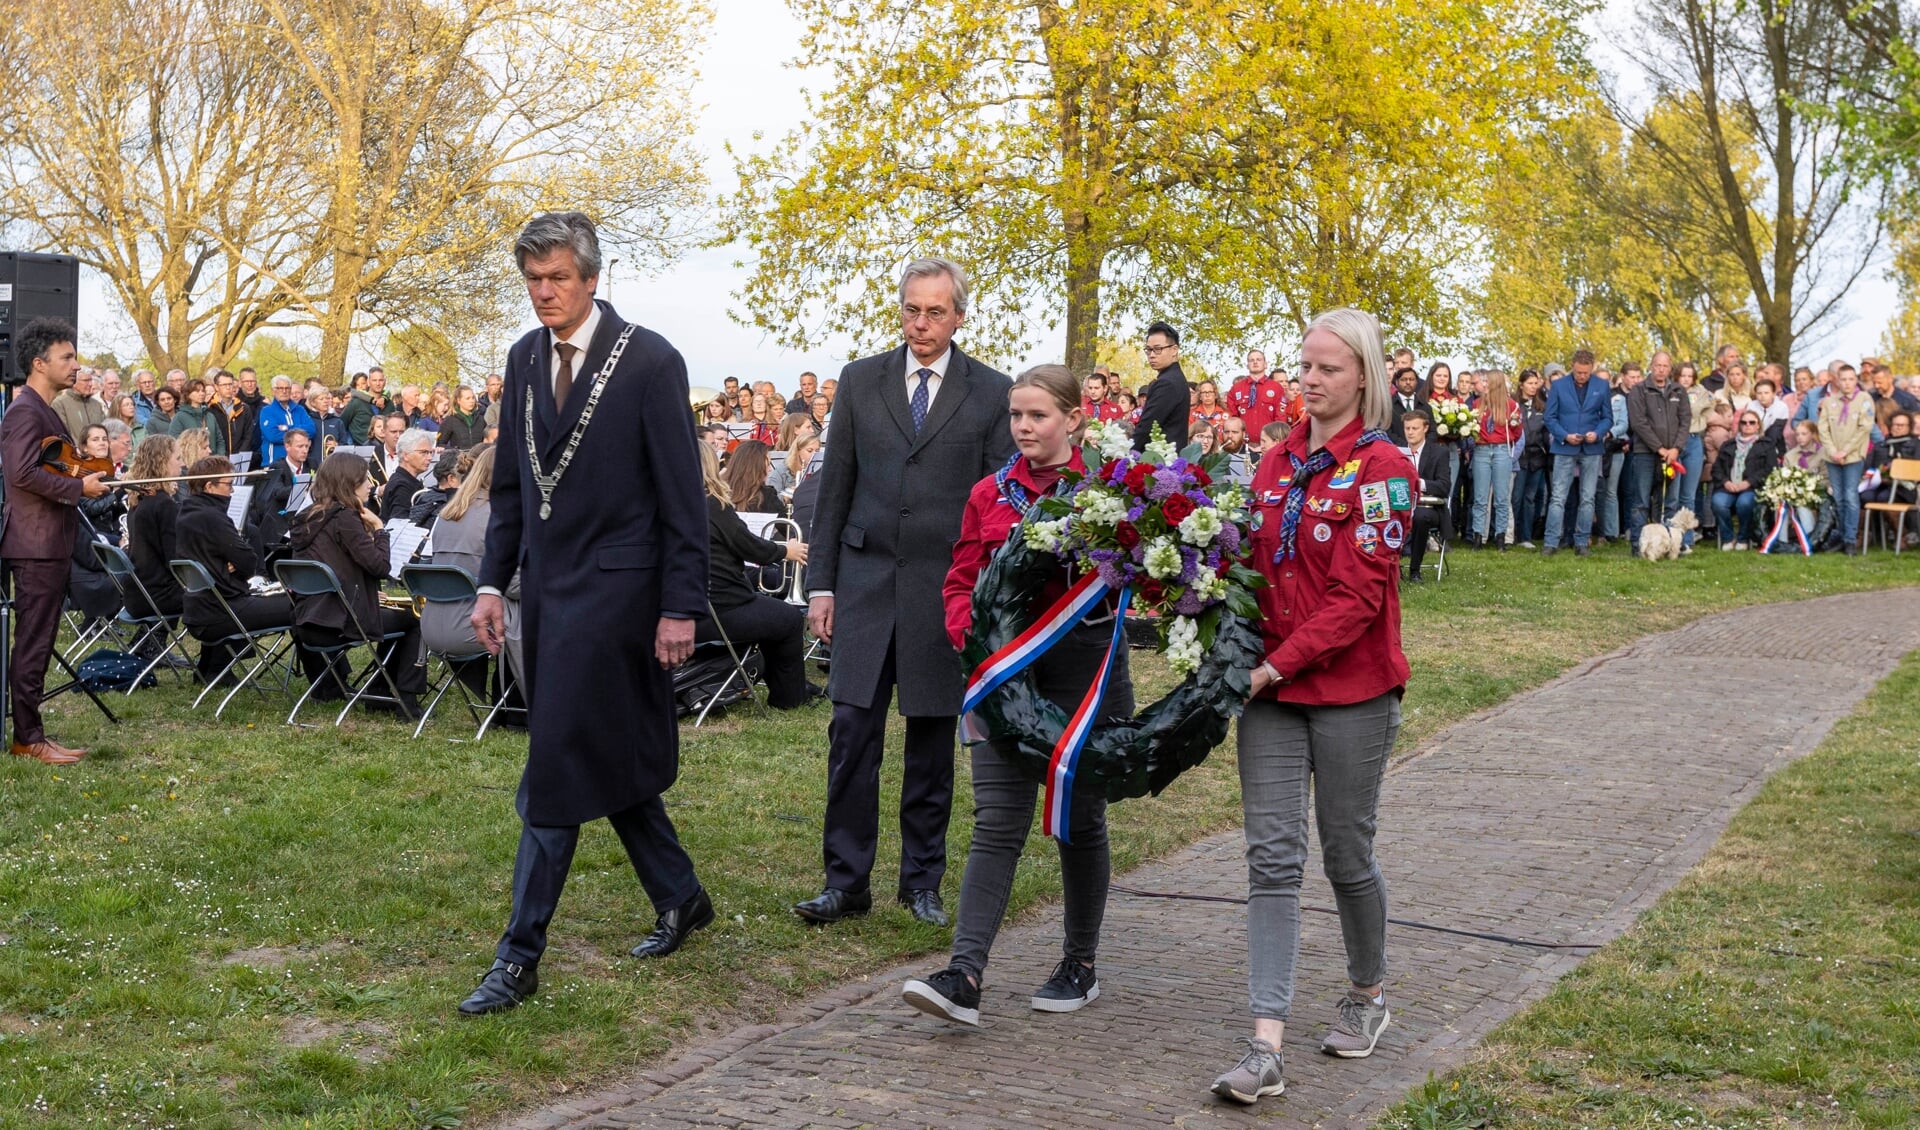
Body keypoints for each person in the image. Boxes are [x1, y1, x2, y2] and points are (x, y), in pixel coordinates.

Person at [458, 212, 715, 1016]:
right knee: (602, 751)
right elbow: (511, 491)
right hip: (549, 594)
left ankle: (519, 954)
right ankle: (681, 895)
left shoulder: (651, 360)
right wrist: (492, 583)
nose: (544, 293)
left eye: (558, 278)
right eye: (533, 280)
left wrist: (681, 605)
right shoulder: (523, 357)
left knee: (559, 761)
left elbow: (683, 497)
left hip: (627, 599)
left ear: (593, 278)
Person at [1215, 307, 1413, 1105]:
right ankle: (1265, 1044)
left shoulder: (1385, 470)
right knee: (1271, 858)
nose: (1310, 378)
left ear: (1361, 377)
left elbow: (1358, 600)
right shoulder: (1273, 463)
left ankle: (1367, 995)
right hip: (1270, 692)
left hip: (1352, 691)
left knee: (1345, 854)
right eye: (1306, 364)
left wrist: (1273, 666)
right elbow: (1248, 568)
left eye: (1328, 367)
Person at [900, 363, 1132, 1027]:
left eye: (1038, 416)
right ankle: (964, 974)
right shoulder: (989, 494)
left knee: (1077, 821)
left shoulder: (1112, 492)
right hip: (1005, 681)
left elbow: (1142, 577)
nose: (1024, 427)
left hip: (1086, 680)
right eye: (1016, 416)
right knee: (997, 821)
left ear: (1074, 420)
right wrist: (967, 637)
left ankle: (1079, 962)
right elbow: (959, 580)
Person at [798, 256, 1015, 928]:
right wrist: (822, 586)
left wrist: (982, 601)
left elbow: (995, 508)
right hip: (862, 588)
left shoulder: (990, 392)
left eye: (935, 312)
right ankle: (845, 881)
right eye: (911, 310)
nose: (921, 324)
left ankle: (921, 880)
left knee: (929, 742)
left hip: (941, 595)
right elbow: (834, 493)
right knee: (851, 735)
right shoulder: (863, 382)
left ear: (959, 315)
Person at [1, 318, 112, 764]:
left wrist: (90, 473)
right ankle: (28, 738)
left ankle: (31, 733)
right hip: (35, 544)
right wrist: (78, 490)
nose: (75, 364)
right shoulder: (24, 410)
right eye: (66, 357)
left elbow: (54, 465)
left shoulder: (45, 409)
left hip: (48, 541)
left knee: (41, 639)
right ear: (38, 363)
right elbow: (22, 474)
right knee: (33, 640)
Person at [696, 443, 816, 709]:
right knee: (789, 620)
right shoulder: (713, 505)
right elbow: (750, 546)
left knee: (769, 614)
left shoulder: (672, 503)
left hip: (686, 607)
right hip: (719, 608)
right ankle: (790, 697)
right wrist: (787, 549)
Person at [174, 455, 305, 687]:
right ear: (209, 486)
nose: (232, 491)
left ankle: (212, 669)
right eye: (228, 485)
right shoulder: (212, 517)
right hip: (223, 610)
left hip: (200, 606)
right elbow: (248, 562)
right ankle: (327, 682)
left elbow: (238, 561)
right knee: (303, 606)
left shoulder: (187, 512)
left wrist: (233, 561)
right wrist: (235, 561)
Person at [424, 446, 522, 698]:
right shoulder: (497, 517)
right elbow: (513, 586)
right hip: (476, 627)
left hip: (434, 626)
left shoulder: (447, 514)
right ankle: (517, 703)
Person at [1541, 349, 1613, 556]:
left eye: (1586, 372)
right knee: (1558, 497)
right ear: (1572, 366)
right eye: (1579, 372)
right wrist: (1564, 435)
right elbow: (1550, 417)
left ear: (1592, 368)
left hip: (1591, 448)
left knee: (1588, 497)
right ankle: (1551, 542)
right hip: (1565, 446)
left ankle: (1582, 542)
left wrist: (1598, 434)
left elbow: (1607, 417)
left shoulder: (1602, 385)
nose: (1582, 376)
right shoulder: (1559, 385)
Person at [1627, 352, 1691, 554]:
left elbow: (1685, 421)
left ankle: (1669, 545)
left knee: (1670, 502)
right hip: (1645, 453)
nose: (1661, 369)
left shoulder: (1679, 391)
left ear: (1670, 368)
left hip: (1673, 455)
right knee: (1641, 501)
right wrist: (1659, 448)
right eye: (1657, 365)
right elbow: (1639, 423)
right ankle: (1639, 545)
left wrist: (1676, 449)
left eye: (1665, 366)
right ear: (1651, 366)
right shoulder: (1639, 390)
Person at [124, 435, 185, 622]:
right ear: (162, 462)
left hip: (137, 594)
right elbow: (175, 561)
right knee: (220, 594)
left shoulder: (138, 500)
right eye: (178, 458)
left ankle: (150, 644)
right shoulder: (164, 504)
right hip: (159, 597)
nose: (182, 464)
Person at [1818, 365, 1874, 554]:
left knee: (1850, 496)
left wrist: (1845, 451)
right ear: (1837, 380)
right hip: (1832, 456)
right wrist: (1833, 451)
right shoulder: (1829, 401)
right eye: (1843, 379)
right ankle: (1841, 537)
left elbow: (1864, 428)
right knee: (1839, 497)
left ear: (1855, 380)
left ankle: (1850, 539)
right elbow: (1823, 428)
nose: (1847, 383)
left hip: (1853, 456)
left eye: (1851, 379)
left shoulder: (1864, 400)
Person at [1709, 409, 1777, 550]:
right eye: (1744, 422)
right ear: (1739, 425)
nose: (1748, 425)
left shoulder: (1766, 444)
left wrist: (1748, 482)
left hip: (1751, 487)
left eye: (1752, 422)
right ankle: (1728, 538)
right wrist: (1726, 482)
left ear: (1758, 425)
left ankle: (1743, 538)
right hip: (1728, 487)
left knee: (1744, 503)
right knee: (1718, 502)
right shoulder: (1728, 445)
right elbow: (1716, 469)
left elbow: (1770, 469)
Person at [1469, 370, 1520, 549]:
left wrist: (1503, 441)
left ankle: (1500, 537)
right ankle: (1478, 536)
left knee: (1501, 497)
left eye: (1486, 381)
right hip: (1482, 449)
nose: (1483, 384)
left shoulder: (1511, 405)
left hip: (1501, 450)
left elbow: (1517, 431)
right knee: (1480, 497)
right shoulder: (1477, 404)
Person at [1399, 411, 1451, 580]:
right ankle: (1389, 568)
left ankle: (1414, 569)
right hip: (1401, 504)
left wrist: (1418, 483)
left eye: (1415, 428)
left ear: (1426, 428)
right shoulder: (1396, 451)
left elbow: (1444, 486)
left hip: (1428, 507)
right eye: (1407, 428)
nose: (1410, 432)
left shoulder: (1439, 453)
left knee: (1420, 518)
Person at [1133, 322, 1191, 451]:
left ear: (1174, 350)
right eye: (1148, 350)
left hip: (1162, 460)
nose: (1152, 355)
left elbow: (1146, 427)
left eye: (1158, 349)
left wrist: (1125, 457)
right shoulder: (1174, 378)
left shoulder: (1167, 383)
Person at [1513, 369, 1550, 547]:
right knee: (1516, 496)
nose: (1533, 387)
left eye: (1536, 383)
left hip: (1537, 458)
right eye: (1530, 383)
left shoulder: (1542, 406)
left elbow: (1545, 433)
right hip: (1518, 458)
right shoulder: (1513, 404)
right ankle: (1509, 534)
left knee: (1530, 498)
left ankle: (1525, 536)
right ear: (1521, 385)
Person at [1228, 348, 1295, 437]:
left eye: (1258, 359)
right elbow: (1233, 419)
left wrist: (1274, 441)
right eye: (1251, 360)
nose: (1255, 362)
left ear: (1265, 364)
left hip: (1270, 443)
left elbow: (1280, 419)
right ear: (1247, 365)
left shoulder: (1276, 388)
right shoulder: (1236, 389)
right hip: (1243, 444)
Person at [255, 376, 315, 465]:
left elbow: (312, 430)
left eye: (287, 388)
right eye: (280, 388)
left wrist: (287, 427)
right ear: (273, 390)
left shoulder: (300, 409)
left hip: (299, 465)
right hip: (274, 464)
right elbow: (273, 436)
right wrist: (300, 436)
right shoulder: (267, 411)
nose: (284, 391)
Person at [379, 428, 434, 524]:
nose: (429, 457)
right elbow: (399, 524)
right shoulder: (402, 485)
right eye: (424, 452)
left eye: (430, 452)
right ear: (405, 455)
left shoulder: (405, 480)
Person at [51, 364, 107, 442]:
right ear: (74, 382)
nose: (90, 384)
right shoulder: (60, 404)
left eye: (91, 380)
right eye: (86, 380)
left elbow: (105, 431)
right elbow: (62, 435)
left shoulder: (97, 405)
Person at [170, 378, 226, 455]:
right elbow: (175, 442)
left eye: (203, 391)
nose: (201, 393)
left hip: (213, 463)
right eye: (197, 391)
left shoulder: (210, 416)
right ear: (188, 394)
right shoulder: (179, 417)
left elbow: (220, 440)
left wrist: (219, 459)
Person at [1386, 368, 1426, 444]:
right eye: (1404, 379)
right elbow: (1386, 430)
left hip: (1423, 452)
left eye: (1411, 379)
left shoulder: (1424, 405)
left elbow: (1432, 431)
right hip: (1396, 450)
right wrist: (1406, 445)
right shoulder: (1387, 406)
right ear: (1397, 382)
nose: (1408, 382)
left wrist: (1421, 447)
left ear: (1416, 382)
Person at [439, 386, 485, 451]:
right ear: (458, 400)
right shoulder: (450, 420)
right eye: (467, 398)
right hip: (458, 459)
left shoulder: (481, 419)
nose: (471, 401)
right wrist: (455, 450)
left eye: (473, 398)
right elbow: (440, 444)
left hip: (478, 458)